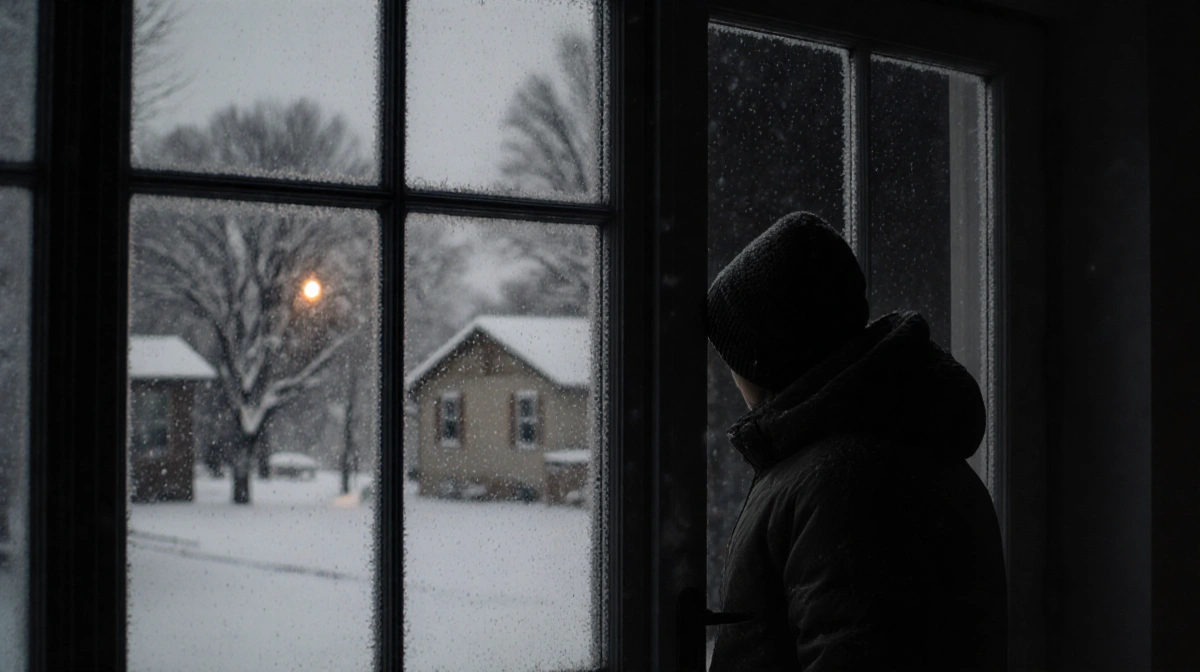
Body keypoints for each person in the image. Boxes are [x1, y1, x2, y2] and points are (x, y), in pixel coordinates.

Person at [706, 212, 1007, 671]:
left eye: (732, 354)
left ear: (764, 358)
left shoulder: (841, 482)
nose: (731, 374)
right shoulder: (896, 446)